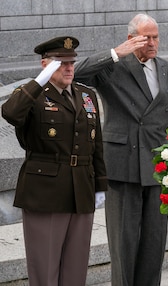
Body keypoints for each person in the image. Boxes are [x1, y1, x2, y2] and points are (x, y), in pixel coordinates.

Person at [74, 14, 168, 286]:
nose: (153, 43)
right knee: (124, 244)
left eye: (156, 37)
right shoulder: (114, 68)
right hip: (124, 165)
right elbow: (78, 72)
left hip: (157, 167)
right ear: (132, 39)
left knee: (155, 244)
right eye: (147, 38)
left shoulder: (167, 69)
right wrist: (115, 53)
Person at [1, 36, 107, 285]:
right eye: (61, 63)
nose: (69, 68)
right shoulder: (33, 94)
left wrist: (100, 186)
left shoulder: (86, 94)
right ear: (46, 65)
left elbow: (96, 144)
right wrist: (39, 81)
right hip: (45, 193)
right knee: (45, 269)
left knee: (75, 269)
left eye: (72, 62)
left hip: (81, 189)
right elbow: (10, 113)